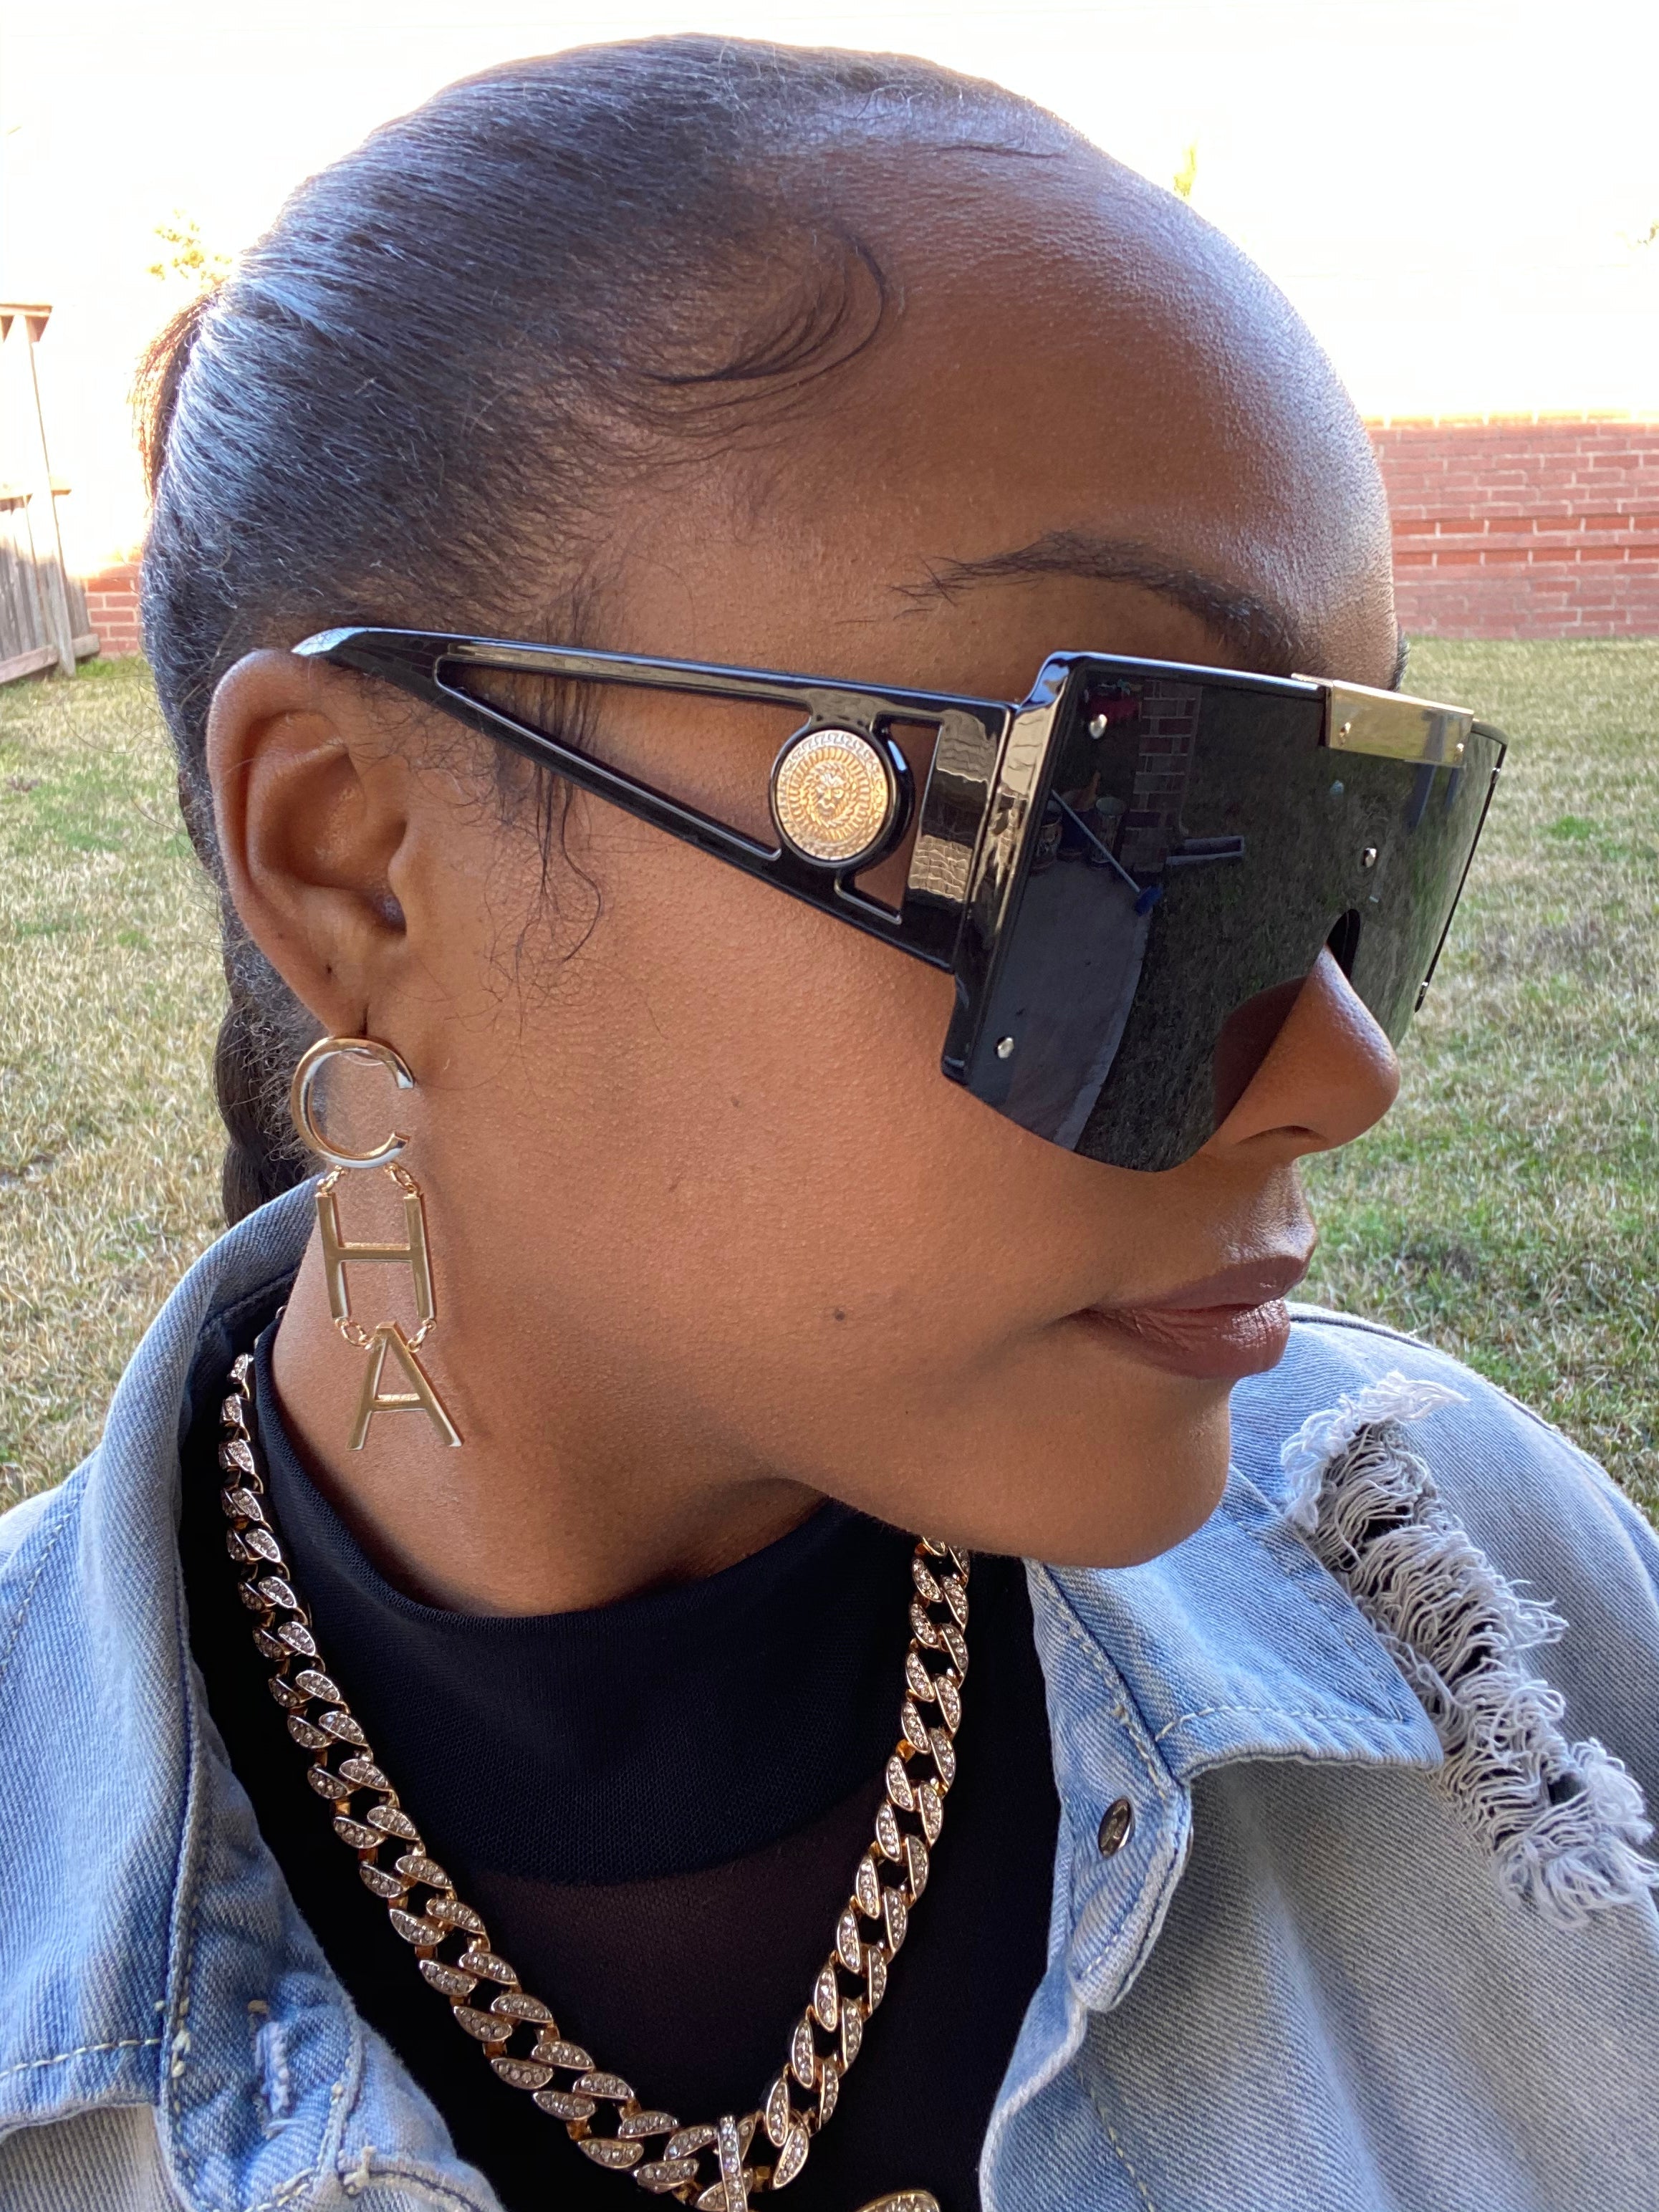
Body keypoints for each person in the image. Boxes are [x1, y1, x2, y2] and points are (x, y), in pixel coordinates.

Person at [1, 37, 1655, 2212]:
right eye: (1132, 827)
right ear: (362, 867)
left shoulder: (1486, 1604)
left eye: (1364, 838)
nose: (1347, 1072)